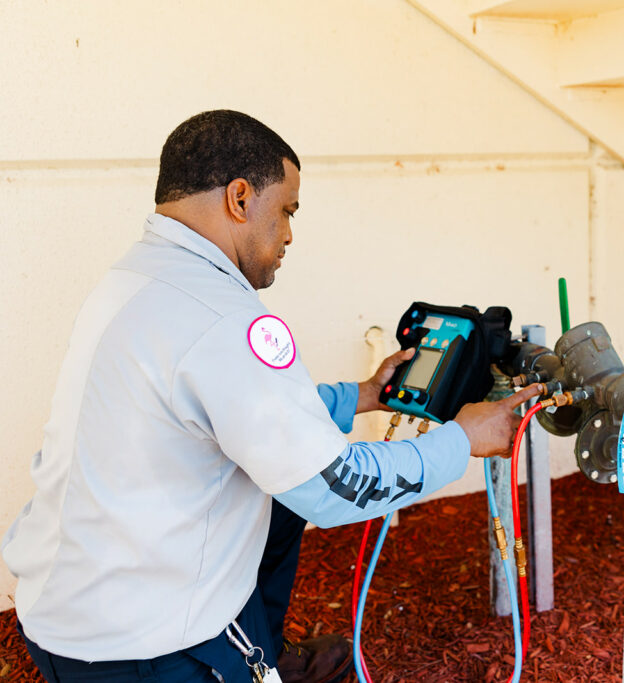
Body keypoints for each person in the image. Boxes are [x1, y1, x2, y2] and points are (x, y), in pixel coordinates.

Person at [2, 110, 541, 683]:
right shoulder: (226, 318)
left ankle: (266, 645)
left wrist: (362, 395)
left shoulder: (133, 278)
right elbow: (338, 489)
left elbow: (236, 409)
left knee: (279, 501)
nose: (288, 234)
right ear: (240, 198)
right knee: (298, 491)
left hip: (57, 615)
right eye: (286, 210)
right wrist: (465, 439)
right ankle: (247, 658)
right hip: (146, 650)